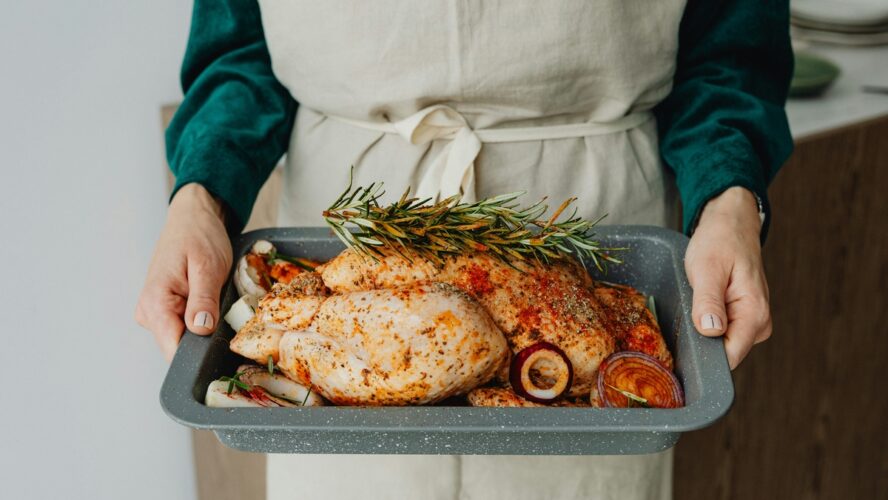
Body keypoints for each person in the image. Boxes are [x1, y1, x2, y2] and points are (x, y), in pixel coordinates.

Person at [136, 1, 792, 498]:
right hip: (354, 212)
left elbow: (730, 50)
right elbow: (238, 53)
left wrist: (729, 195)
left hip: (585, 206)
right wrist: (202, 196)